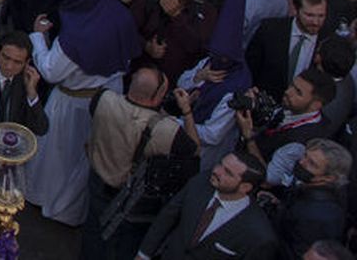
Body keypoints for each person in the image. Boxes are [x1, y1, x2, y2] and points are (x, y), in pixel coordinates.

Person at [25, 0, 142, 226]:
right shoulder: (119, 18)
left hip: (68, 103)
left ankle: (47, 203)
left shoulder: (77, 33)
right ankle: (67, 210)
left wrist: (37, 36)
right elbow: (123, 64)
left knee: (55, 159)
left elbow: (49, 70)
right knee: (79, 163)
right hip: (99, 105)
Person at [82, 66, 199, 259]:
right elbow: (194, 151)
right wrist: (186, 111)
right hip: (129, 198)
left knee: (93, 233)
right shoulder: (165, 130)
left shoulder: (103, 99)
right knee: (119, 245)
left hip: (96, 182)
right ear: (159, 95)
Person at [133, 152, 277, 260]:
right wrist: (143, 255)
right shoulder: (201, 182)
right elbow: (167, 217)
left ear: (245, 187)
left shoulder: (258, 235)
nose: (216, 171)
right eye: (220, 164)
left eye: (227, 172)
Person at [246, 0, 328, 102]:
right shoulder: (269, 30)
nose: (316, 22)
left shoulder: (327, 40)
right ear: (296, 10)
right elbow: (250, 67)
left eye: (321, 16)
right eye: (309, 15)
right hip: (264, 103)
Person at [274, 139, 350, 259]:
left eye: (312, 164)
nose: (302, 162)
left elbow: (296, 254)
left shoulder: (317, 216)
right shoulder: (309, 187)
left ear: (328, 178)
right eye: (305, 155)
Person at [0, 31, 47, 134]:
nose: (9, 66)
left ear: (27, 63)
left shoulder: (27, 81)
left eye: (17, 62)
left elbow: (41, 128)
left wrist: (31, 92)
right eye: (6, 58)